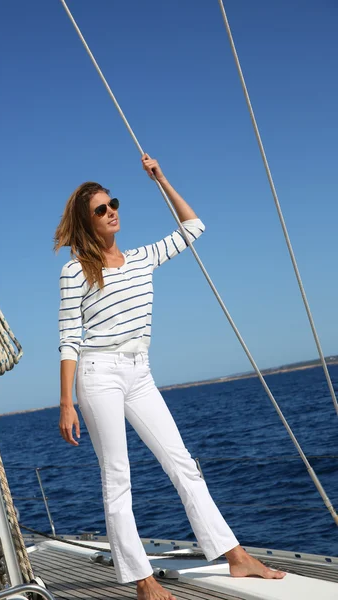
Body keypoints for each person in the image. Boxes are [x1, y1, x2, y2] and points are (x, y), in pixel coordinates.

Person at [55, 154, 285, 600]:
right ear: (87, 222)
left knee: (182, 463)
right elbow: (68, 340)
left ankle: (234, 555)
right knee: (117, 476)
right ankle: (142, 581)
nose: (112, 212)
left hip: (140, 372)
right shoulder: (75, 270)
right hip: (98, 373)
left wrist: (161, 180)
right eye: (101, 209)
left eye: (113, 203)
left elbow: (194, 227)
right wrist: (66, 402)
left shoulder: (142, 258)